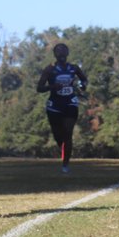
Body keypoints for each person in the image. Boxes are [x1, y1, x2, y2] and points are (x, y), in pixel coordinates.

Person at [35, 42, 87, 173]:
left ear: (68, 53)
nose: (61, 53)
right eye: (58, 51)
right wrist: (52, 87)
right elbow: (39, 88)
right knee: (58, 135)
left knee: (68, 133)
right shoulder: (49, 69)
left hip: (70, 102)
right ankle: (63, 150)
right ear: (55, 54)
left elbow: (84, 80)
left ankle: (65, 165)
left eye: (64, 50)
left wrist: (82, 86)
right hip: (54, 105)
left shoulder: (74, 68)